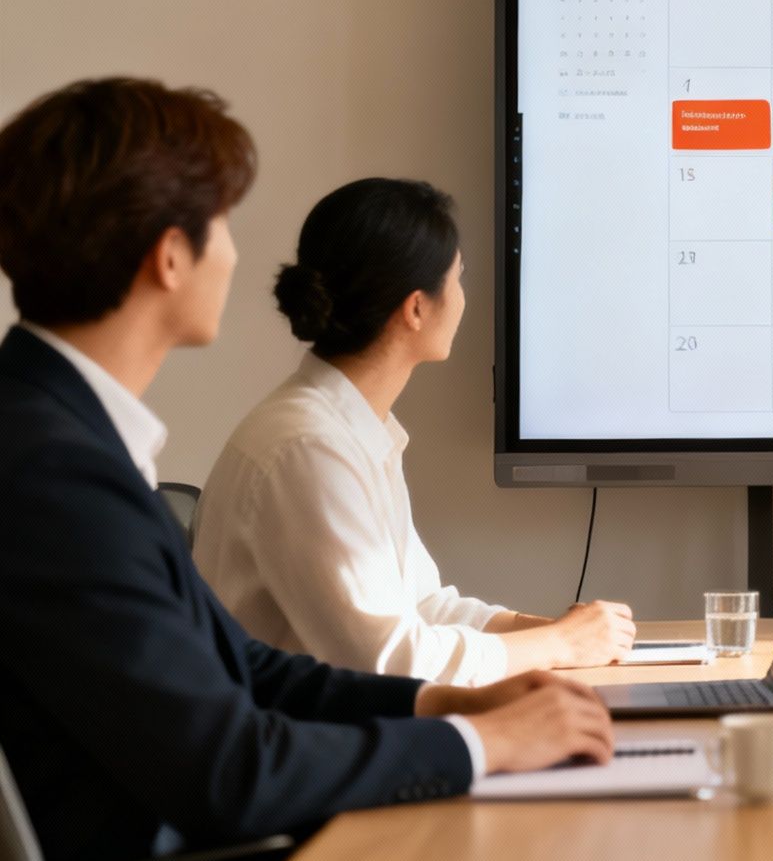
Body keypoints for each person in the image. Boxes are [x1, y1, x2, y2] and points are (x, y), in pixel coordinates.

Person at [0, 79, 614, 861]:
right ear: (170, 256)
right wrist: (479, 744)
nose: (235, 251)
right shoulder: (55, 472)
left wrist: (448, 706)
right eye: (223, 224)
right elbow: (230, 771)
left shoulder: (62, 436)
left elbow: (249, 671)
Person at [194, 178, 636, 686]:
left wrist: (552, 632)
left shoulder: (351, 428)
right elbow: (390, 661)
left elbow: (423, 604)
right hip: (305, 747)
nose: (464, 299)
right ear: (417, 308)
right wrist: (557, 645)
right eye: (458, 279)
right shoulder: (310, 448)